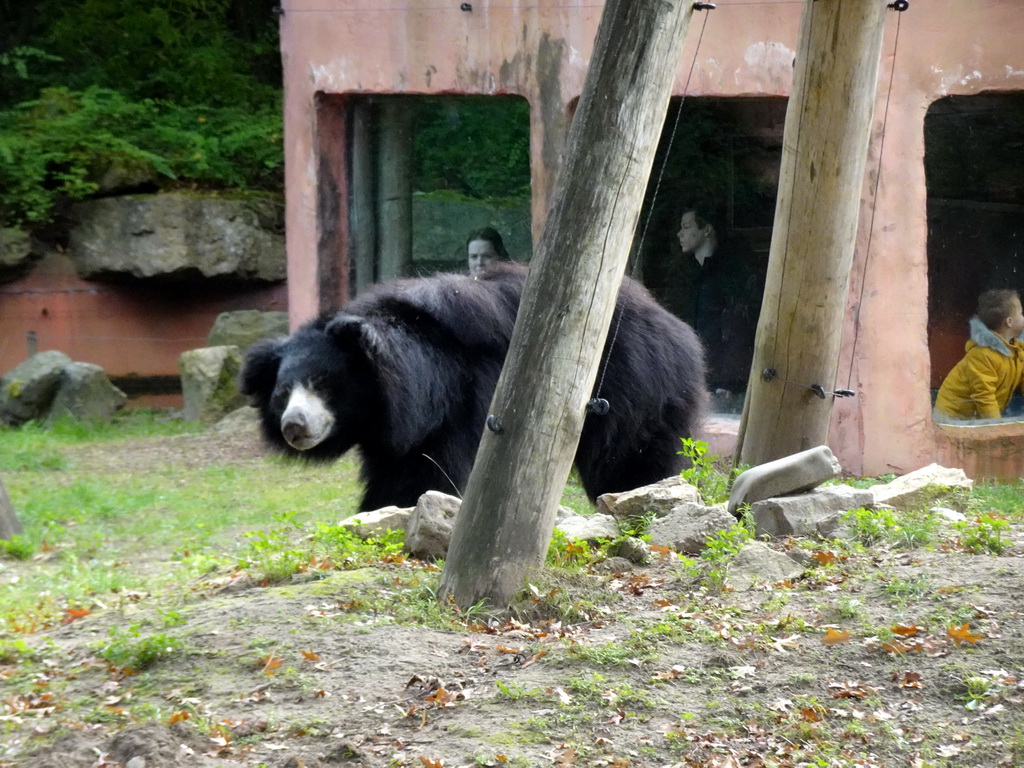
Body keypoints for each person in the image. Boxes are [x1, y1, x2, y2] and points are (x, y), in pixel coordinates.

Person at [674, 209, 765, 394]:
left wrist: (728, 379)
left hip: (723, 382)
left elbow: (739, 329)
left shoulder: (732, 275)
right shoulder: (686, 276)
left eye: (686, 227)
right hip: (696, 376)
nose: (680, 233)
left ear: (706, 230)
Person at [934, 288, 1024, 420]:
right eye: (1021, 313)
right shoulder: (983, 355)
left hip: (975, 416)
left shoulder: (1017, 351)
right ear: (1009, 322)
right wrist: (996, 428)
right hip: (952, 416)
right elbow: (984, 397)